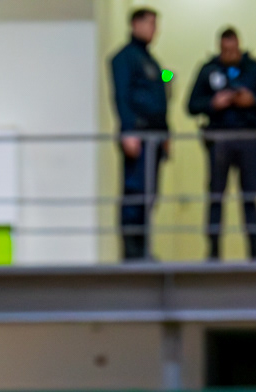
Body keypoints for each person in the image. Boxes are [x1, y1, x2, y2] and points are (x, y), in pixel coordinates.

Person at [187, 28, 256, 260]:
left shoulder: (254, 68)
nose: (230, 54)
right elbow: (191, 105)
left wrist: (252, 100)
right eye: (225, 50)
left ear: (239, 46)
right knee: (216, 195)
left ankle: (255, 251)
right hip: (218, 140)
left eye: (233, 50)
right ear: (219, 48)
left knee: (250, 195)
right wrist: (213, 103)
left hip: (247, 137)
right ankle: (213, 252)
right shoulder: (208, 70)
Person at [110, 7, 170, 261]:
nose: (154, 30)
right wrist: (128, 131)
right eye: (150, 24)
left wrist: (166, 133)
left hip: (154, 138)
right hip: (138, 136)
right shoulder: (124, 58)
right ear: (135, 24)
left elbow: (160, 96)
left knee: (149, 196)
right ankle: (132, 253)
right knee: (134, 194)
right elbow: (122, 97)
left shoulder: (151, 61)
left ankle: (143, 249)